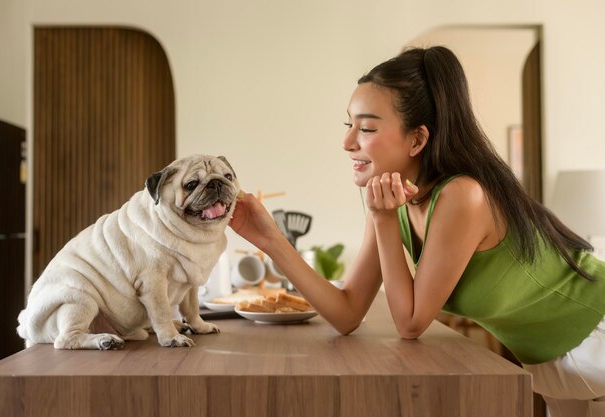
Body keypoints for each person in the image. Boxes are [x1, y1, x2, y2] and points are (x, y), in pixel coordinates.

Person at [229, 46, 605, 417]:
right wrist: (271, 240)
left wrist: (384, 220)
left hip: (595, 340)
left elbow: (410, 323)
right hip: (558, 364)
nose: (347, 143)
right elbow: (346, 314)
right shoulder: (396, 204)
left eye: (367, 128)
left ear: (417, 139)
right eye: (349, 125)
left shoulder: (462, 196)